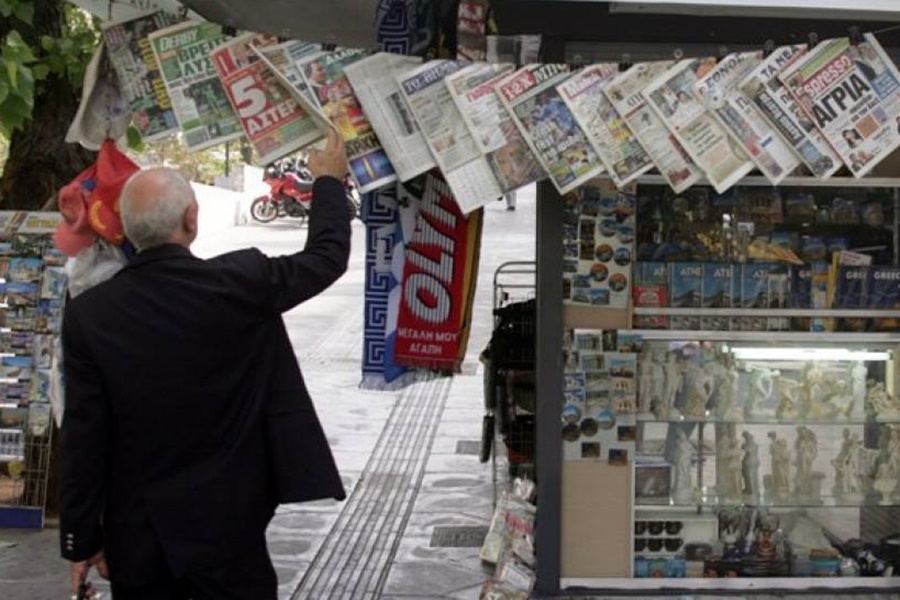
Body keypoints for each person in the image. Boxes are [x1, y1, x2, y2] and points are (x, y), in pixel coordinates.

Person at [59, 129, 352, 600]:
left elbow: (84, 432)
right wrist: (329, 183)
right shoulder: (240, 283)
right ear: (191, 220)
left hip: (140, 539)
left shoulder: (91, 314)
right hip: (231, 532)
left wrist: (80, 540)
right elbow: (326, 258)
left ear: (131, 231)